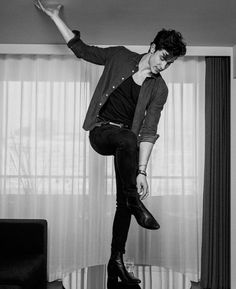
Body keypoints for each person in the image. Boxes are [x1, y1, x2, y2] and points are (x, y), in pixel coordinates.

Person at [34, 0, 186, 285]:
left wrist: (141, 172)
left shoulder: (159, 89)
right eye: (163, 57)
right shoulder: (119, 56)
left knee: (123, 202)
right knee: (128, 139)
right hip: (102, 133)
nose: (163, 65)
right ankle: (136, 205)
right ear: (152, 47)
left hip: (127, 146)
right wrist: (55, 17)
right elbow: (82, 50)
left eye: (170, 63)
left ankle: (116, 260)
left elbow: (149, 131)